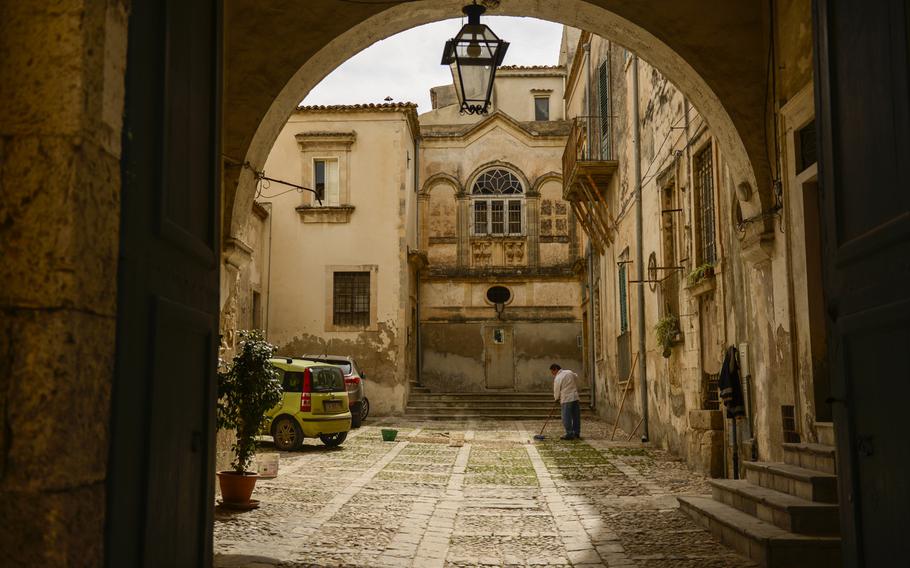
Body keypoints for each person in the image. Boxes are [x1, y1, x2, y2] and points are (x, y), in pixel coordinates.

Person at [550, 363, 580, 440]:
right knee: (575, 416)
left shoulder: (558, 377)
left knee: (566, 417)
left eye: (552, 372)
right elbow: (576, 378)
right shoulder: (569, 372)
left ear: (555, 369)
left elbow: (556, 389)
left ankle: (569, 433)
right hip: (575, 397)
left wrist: (556, 398)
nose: (552, 374)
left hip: (566, 398)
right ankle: (576, 433)